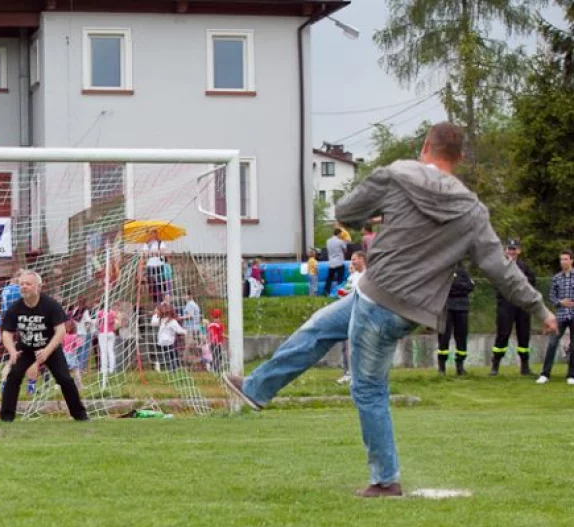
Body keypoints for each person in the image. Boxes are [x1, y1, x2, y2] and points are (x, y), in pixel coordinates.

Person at [222, 122, 556, 497]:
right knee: (318, 329)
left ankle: (385, 479)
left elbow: (347, 212)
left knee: (368, 389)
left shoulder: (398, 175)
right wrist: (540, 308)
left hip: (379, 299)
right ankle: (258, 387)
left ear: (424, 146)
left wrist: (375, 214)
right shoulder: (472, 212)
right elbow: (500, 269)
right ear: (459, 158)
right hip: (405, 308)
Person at [0, 271, 88, 422]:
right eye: (21, 284)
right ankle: (6, 417)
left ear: (38, 287)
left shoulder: (51, 305)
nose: (24, 287)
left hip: (50, 348)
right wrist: (12, 351)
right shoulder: (15, 308)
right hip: (25, 349)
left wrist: (47, 351)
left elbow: (61, 331)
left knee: (65, 379)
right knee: (13, 377)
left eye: (28, 284)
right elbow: (6, 333)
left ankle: (80, 415)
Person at [490, 239, 539, 376]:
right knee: (503, 334)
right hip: (506, 305)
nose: (511, 252)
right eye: (509, 249)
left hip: (522, 306)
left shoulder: (525, 267)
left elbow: (532, 283)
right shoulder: (500, 266)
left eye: (514, 249)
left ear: (519, 251)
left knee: (524, 335)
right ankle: (495, 366)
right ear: (505, 251)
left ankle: (525, 367)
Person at [536, 249, 574, 384]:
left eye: (565, 259)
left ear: (571, 260)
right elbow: (552, 296)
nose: (563, 262)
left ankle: (571, 375)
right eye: (561, 259)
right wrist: (560, 302)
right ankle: (545, 374)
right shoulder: (556, 278)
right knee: (552, 343)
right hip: (561, 315)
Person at [437, 262, 475, 376]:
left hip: (462, 308)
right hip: (446, 308)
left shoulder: (463, 272)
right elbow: (441, 287)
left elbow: (470, 286)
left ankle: (460, 367)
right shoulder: (442, 270)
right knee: (444, 337)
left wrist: (453, 286)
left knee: (462, 338)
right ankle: (442, 368)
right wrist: (458, 287)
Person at [336, 251, 367, 385]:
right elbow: (345, 290)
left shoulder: (368, 275)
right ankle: (348, 373)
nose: (352, 262)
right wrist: (342, 293)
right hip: (350, 313)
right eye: (351, 260)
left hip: (364, 315)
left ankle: (362, 375)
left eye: (354, 259)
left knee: (362, 345)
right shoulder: (352, 276)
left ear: (362, 259)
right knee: (346, 344)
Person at [151, 304, 187, 372]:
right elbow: (179, 331)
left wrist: (155, 314)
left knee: (168, 356)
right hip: (168, 342)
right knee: (174, 357)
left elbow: (153, 322)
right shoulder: (172, 321)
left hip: (160, 342)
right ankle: (172, 370)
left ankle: (159, 364)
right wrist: (187, 332)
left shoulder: (161, 320)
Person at [94, 304, 119, 378]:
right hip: (111, 333)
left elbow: (96, 324)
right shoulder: (112, 313)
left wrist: (99, 327)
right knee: (110, 351)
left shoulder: (99, 313)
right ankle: (111, 369)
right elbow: (116, 320)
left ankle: (103, 369)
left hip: (102, 333)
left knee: (103, 352)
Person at [323, 227, 348, 296]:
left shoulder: (328, 241)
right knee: (340, 278)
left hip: (331, 262)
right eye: (341, 234)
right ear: (339, 233)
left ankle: (326, 290)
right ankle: (339, 292)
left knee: (329, 278)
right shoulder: (340, 241)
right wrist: (344, 242)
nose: (341, 235)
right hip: (339, 262)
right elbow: (345, 250)